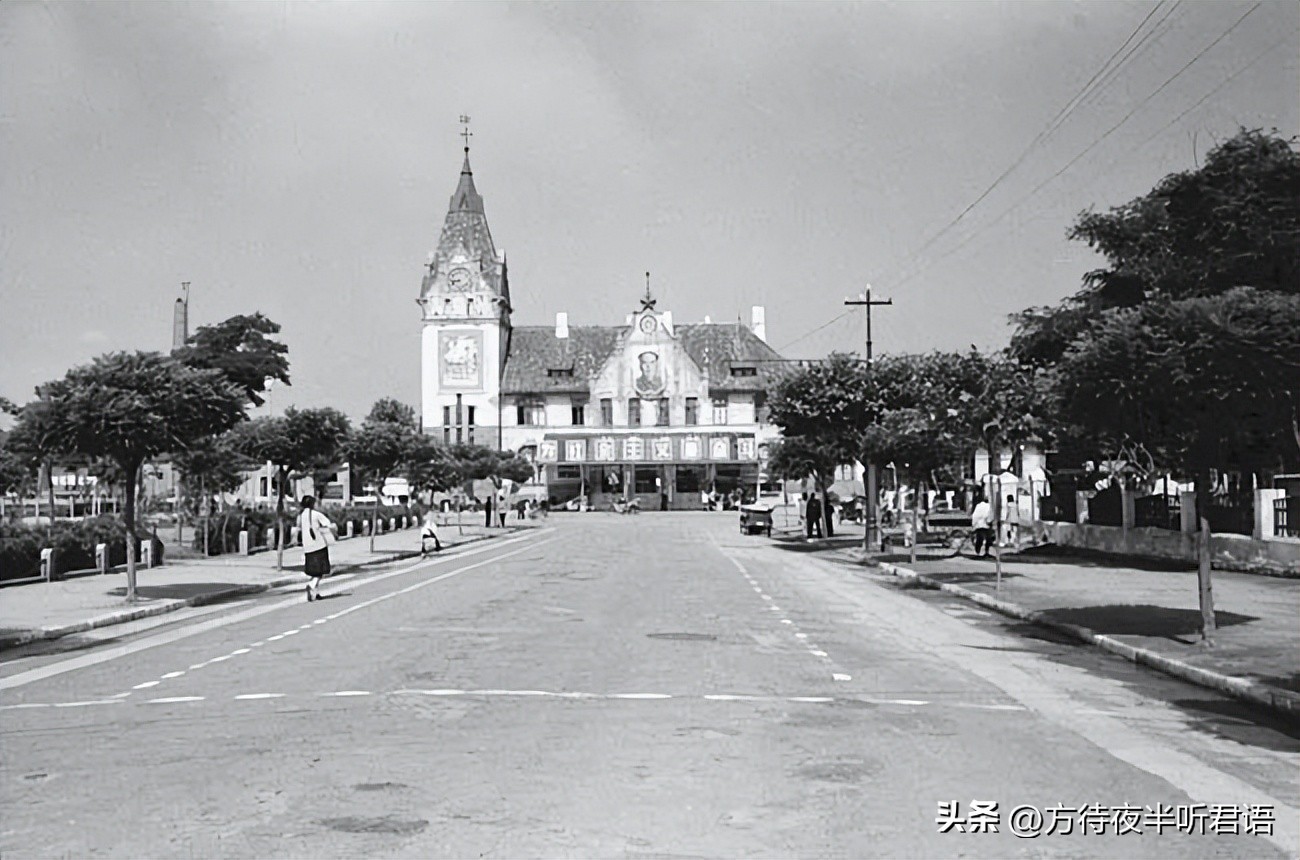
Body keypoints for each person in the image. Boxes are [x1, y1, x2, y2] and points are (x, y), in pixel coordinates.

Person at [298, 495, 337, 602]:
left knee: (313, 571)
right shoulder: (316, 514)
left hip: (307, 546)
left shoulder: (301, 515)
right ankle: (312, 585)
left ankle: (315, 592)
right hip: (319, 545)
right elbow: (329, 524)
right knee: (321, 570)